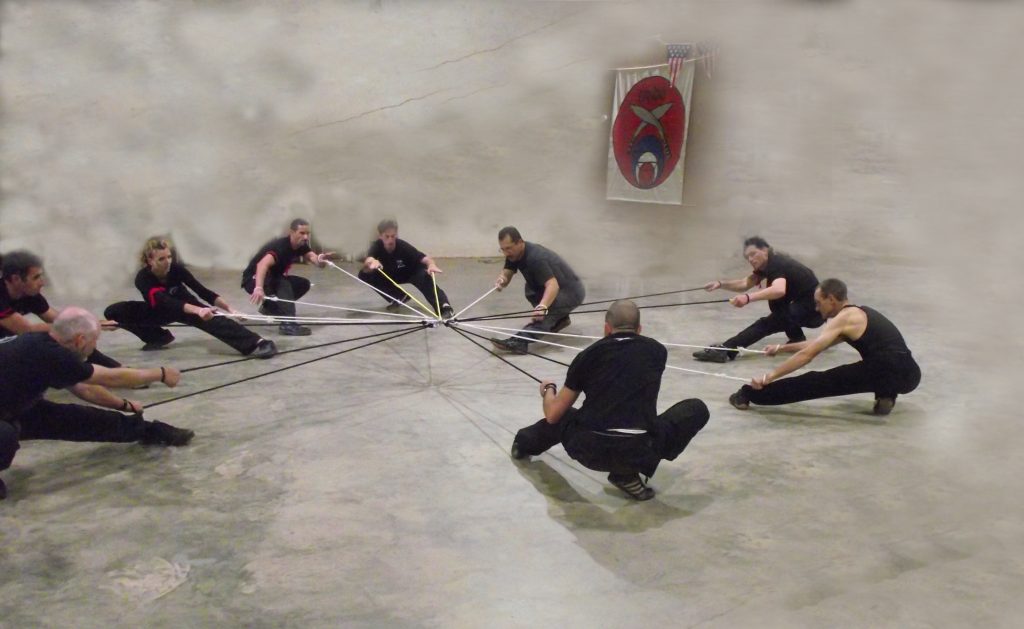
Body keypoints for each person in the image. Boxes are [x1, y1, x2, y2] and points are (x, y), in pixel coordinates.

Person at [510, 300, 710, 501]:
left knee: (564, 415)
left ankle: (523, 443)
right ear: (639, 329)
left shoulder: (587, 356)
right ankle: (626, 473)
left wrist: (548, 389)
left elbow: (553, 415)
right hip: (640, 450)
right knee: (695, 409)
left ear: (606, 328)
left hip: (590, 449)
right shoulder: (657, 352)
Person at [0, 308, 193, 501]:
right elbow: (111, 378)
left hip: (12, 409)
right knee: (6, 435)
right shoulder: (50, 354)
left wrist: (124, 405)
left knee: (72, 419)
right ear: (80, 340)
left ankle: (145, 430)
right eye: (95, 341)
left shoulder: (41, 344)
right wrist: (160, 374)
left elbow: (85, 388)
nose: (94, 347)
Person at [728, 278, 921, 416]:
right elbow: (817, 343)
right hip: (910, 376)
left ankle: (748, 394)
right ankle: (886, 394)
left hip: (885, 368)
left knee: (816, 382)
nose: (816, 308)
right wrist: (781, 348)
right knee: (873, 368)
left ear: (831, 300)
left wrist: (768, 377)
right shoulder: (859, 314)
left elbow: (808, 355)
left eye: (819, 303)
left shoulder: (845, 317)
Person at [105, 237, 277, 358]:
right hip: (158, 309)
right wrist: (198, 310)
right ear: (150, 261)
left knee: (215, 321)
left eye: (169, 257)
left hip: (186, 304)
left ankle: (258, 343)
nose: (168, 261)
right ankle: (158, 337)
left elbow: (202, 291)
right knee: (115, 311)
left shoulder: (176, 269)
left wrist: (230, 309)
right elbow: (165, 301)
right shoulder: (143, 278)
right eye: (161, 259)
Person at [693, 236, 824, 363]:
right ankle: (797, 339)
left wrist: (747, 298)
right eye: (747, 257)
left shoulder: (777, 264)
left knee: (765, 324)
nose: (750, 259)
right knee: (777, 306)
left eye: (753, 254)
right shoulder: (768, 263)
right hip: (805, 306)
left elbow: (779, 290)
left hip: (815, 310)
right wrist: (720, 284)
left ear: (765, 250)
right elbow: (744, 283)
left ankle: (726, 350)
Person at [1, 249, 122, 368]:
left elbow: (59, 320)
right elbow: (27, 329)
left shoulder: (29, 295)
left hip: (7, 345)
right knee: (49, 338)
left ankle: (115, 370)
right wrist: (82, 328)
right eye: (36, 277)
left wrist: (96, 323)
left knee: (70, 338)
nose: (42, 283)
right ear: (16, 279)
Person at [490, 226, 586, 354]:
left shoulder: (535, 258)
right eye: (502, 249)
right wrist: (502, 279)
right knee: (530, 289)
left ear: (520, 242)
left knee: (544, 315)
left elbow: (553, 285)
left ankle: (520, 341)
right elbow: (508, 270)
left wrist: (542, 307)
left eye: (508, 248)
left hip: (571, 291)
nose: (506, 253)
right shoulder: (514, 254)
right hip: (556, 287)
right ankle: (560, 320)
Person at [242, 218, 332, 336]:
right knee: (283, 284)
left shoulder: (301, 245)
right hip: (253, 279)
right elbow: (262, 265)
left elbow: (314, 259)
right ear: (292, 232)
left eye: (307, 233)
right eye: (302, 233)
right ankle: (288, 324)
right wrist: (258, 288)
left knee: (303, 284)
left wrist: (321, 260)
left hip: (272, 278)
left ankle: (270, 308)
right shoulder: (280, 247)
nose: (305, 237)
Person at [358, 219, 454, 318]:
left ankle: (445, 308)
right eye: (387, 236)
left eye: (393, 236)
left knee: (424, 277)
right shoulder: (376, 246)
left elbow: (425, 259)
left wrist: (431, 265)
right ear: (380, 236)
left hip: (411, 273)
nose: (390, 240)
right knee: (364, 274)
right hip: (392, 273)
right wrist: (371, 262)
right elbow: (369, 259)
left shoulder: (403, 246)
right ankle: (398, 296)